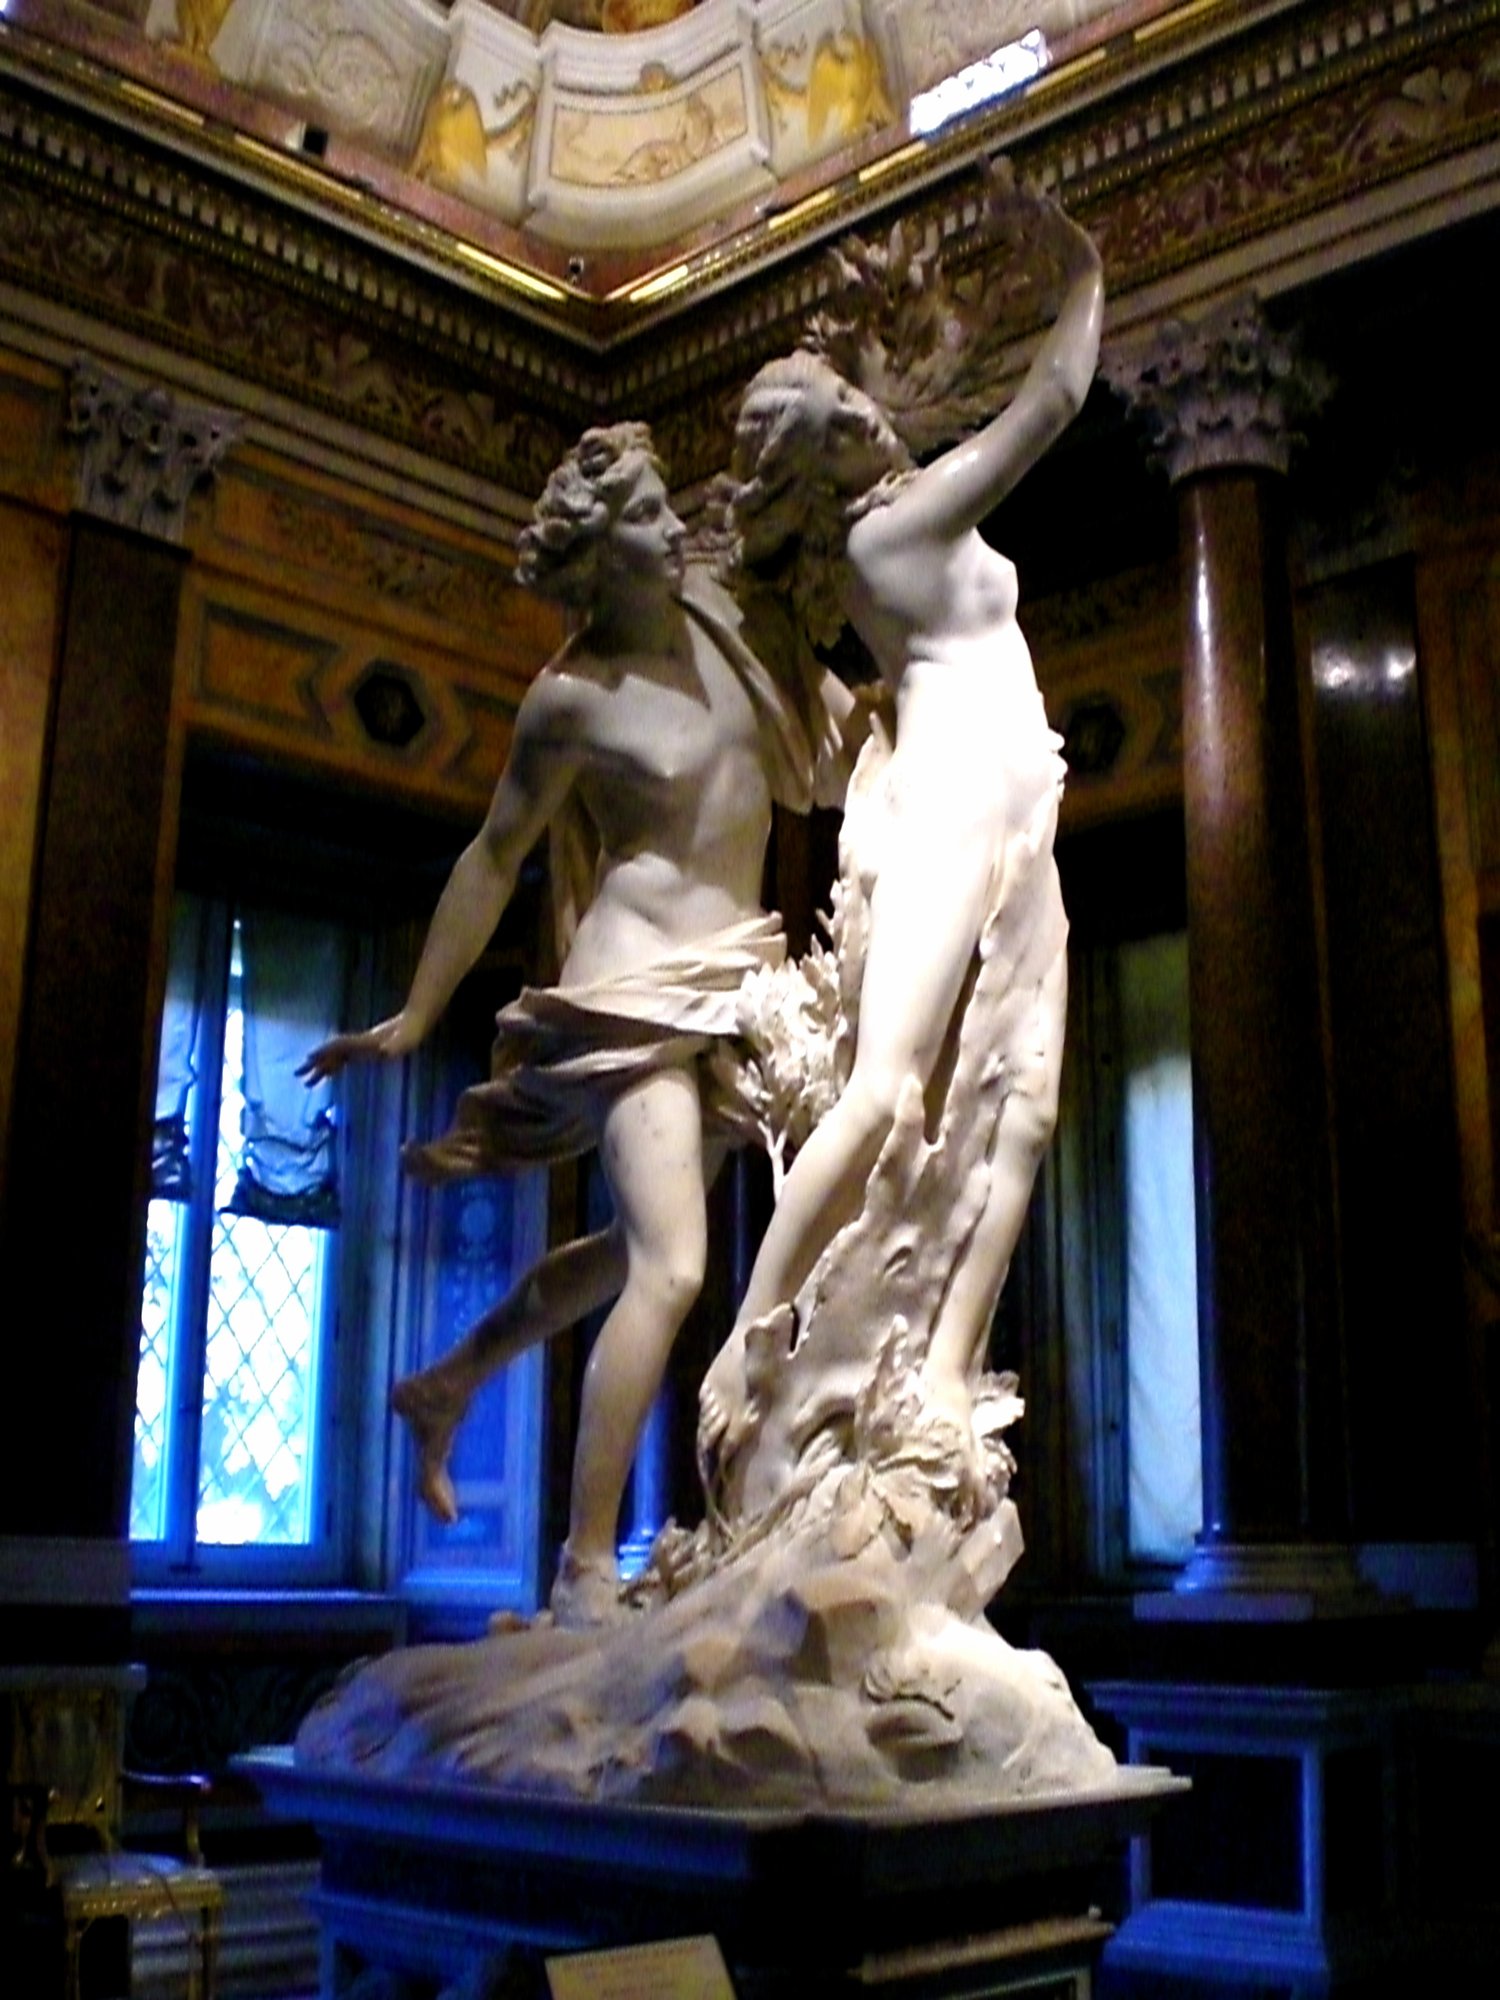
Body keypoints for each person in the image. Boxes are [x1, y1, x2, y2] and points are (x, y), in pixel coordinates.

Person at [301, 423, 856, 1624]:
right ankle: (585, 1567)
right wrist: (417, 1013)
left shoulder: (723, 616)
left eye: (663, 508)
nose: (672, 528)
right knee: (674, 1263)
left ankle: (447, 1382)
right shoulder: (569, 700)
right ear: (597, 563)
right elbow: (494, 853)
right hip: (632, 990)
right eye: (646, 519)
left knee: (625, 1252)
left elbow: (831, 680)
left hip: (734, 982)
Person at [700, 196, 1103, 1476]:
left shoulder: (893, 505)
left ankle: (941, 1372)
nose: (867, 417)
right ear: (820, 472)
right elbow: (1053, 400)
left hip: (1015, 798)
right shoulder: (895, 527)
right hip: (948, 792)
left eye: (852, 401)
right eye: (839, 420)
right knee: (888, 1087)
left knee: (1026, 1100)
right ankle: (747, 1335)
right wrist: (1082, 273)